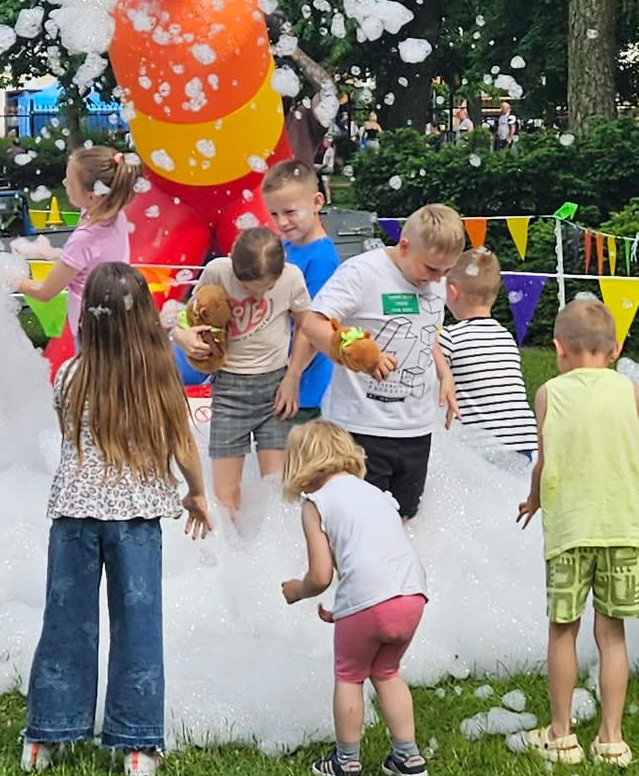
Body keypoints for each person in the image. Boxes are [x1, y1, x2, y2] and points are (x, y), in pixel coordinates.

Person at [20, 262, 213, 776]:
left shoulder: (69, 374)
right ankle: (136, 745)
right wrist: (195, 493)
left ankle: (46, 735)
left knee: (65, 623)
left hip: (74, 514)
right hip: (135, 518)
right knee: (138, 628)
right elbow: (183, 443)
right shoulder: (158, 375)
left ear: (88, 318)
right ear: (146, 317)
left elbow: (69, 432)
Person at [514, 299, 639, 767]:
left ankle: (561, 735)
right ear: (615, 349)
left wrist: (534, 499)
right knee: (612, 633)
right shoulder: (632, 392)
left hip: (571, 528)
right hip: (624, 525)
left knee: (563, 631)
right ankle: (611, 739)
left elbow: (544, 460)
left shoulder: (549, 394)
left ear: (558, 349)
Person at [279, 420, 430, 776]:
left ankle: (346, 763)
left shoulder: (316, 503)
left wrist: (297, 591)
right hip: (411, 595)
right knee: (388, 673)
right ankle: (408, 760)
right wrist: (345, 608)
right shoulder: (375, 493)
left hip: (369, 602)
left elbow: (321, 575)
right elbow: (374, 559)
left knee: (349, 676)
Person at [299, 204, 463, 520]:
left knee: (406, 520)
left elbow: (425, 332)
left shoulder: (436, 277)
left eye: (446, 271)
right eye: (431, 269)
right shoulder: (363, 273)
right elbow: (312, 323)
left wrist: (445, 376)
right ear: (405, 246)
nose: (438, 279)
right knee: (359, 524)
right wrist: (350, 350)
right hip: (361, 426)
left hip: (416, 427)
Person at [173, 226, 315, 513]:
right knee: (224, 495)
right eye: (249, 289)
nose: (259, 295)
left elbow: (308, 329)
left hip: (276, 389)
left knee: (276, 488)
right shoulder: (218, 271)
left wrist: (293, 377)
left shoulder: (292, 278)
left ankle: (273, 552)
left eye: (266, 288)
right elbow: (186, 318)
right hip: (228, 389)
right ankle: (234, 552)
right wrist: (184, 338)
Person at [12, 147, 141, 335]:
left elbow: (44, 292)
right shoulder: (112, 214)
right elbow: (90, 261)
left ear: (92, 195)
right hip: (117, 321)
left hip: (93, 334)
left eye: (70, 182)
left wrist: (3, 274)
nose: (64, 183)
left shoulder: (84, 238)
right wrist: (51, 254)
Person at [440, 248, 537, 462]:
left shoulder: (450, 337)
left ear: (453, 292)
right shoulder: (506, 336)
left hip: (482, 446)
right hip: (524, 439)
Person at [261, 160, 340, 423]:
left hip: (303, 387)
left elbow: (313, 324)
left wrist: (293, 376)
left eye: (290, 212)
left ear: (317, 202)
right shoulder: (286, 247)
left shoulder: (321, 259)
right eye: (273, 214)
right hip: (281, 375)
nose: (282, 222)